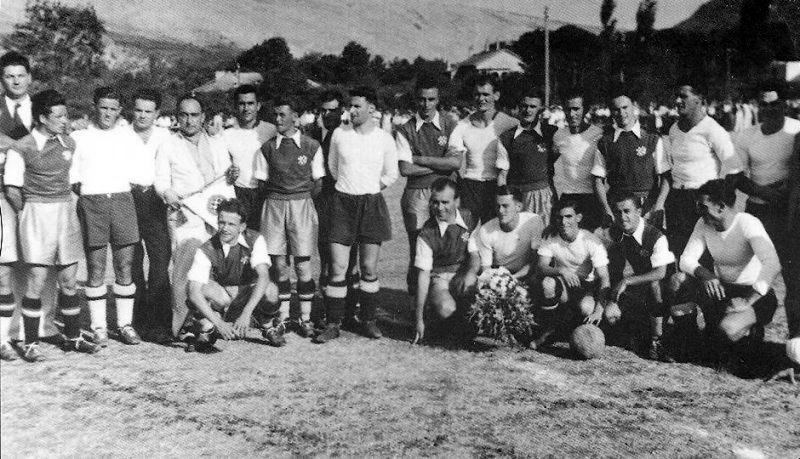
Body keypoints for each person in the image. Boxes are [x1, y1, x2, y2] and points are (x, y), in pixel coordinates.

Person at [4, 89, 101, 360]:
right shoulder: (21, 147)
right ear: (42, 118)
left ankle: (73, 337)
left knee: (69, 280)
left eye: (65, 114)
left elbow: (74, 181)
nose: (64, 120)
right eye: (58, 116)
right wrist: (29, 213)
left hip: (65, 212)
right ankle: (31, 342)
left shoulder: (69, 144)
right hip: (36, 213)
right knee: (36, 280)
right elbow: (12, 189)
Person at [315, 86, 398, 343]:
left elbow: (391, 173)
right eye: (350, 106)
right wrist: (350, 191)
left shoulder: (384, 138)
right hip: (342, 204)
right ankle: (333, 323)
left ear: (371, 109)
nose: (351, 110)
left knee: (368, 267)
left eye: (357, 106)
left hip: (371, 204)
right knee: (338, 266)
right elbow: (333, 168)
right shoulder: (340, 134)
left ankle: (369, 320)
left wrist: (370, 190)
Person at [672, 179, 781, 370]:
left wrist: (748, 301)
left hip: (754, 296)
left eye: (702, 206)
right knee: (678, 280)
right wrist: (706, 275)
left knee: (728, 330)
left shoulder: (747, 223)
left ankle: (750, 333)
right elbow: (686, 259)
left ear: (721, 207)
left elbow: (772, 263)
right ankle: (689, 343)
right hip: (722, 290)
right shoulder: (703, 223)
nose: (698, 211)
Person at [154, 94, 234, 336]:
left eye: (194, 115)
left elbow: (225, 179)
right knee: (185, 265)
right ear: (177, 117)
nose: (189, 120)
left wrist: (233, 175)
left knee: (211, 265)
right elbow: (160, 180)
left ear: (203, 117)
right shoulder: (168, 144)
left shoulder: (217, 143)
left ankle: (206, 321)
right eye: (184, 115)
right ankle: (185, 323)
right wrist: (167, 193)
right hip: (185, 215)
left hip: (212, 213)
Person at [71, 86, 142, 346]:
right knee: (96, 268)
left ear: (120, 110)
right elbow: (74, 179)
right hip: (92, 202)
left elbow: (138, 173)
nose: (108, 113)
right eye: (103, 107)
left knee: (124, 266)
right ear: (94, 106)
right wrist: (94, 193)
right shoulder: (80, 136)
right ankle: (99, 327)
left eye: (113, 108)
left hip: (122, 200)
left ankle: (125, 325)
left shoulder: (128, 136)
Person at [254, 97, 324, 339]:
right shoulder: (266, 148)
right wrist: (280, 199)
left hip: (302, 205)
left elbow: (318, 183)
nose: (278, 119)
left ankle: (305, 318)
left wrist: (299, 199)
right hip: (274, 205)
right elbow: (261, 183)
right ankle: (283, 317)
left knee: (303, 265)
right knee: (279, 266)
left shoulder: (311, 146)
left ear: (296, 117)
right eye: (275, 114)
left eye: (283, 114)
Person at [185, 199, 280, 351]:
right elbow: (193, 292)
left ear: (242, 227)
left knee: (271, 289)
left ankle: (267, 326)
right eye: (221, 223)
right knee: (199, 287)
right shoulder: (206, 248)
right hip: (222, 299)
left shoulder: (255, 239)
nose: (225, 229)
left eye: (231, 224)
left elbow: (263, 276)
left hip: (245, 296)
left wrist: (246, 312)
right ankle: (209, 328)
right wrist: (219, 323)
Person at [733, 87, 798, 301]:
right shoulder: (746, 136)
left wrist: (786, 191)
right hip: (758, 209)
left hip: (787, 209)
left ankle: (796, 333)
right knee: (752, 270)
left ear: (784, 104)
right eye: (764, 104)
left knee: (792, 272)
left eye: (774, 104)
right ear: (758, 107)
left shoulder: (796, 130)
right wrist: (763, 192)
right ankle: (751, 327)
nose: (769, 109)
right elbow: (737, 177)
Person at [397, 79, 459, 294]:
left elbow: (455, 163)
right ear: (416, 99)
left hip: (445, 191)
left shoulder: (450, 124)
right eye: (422, 99)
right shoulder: (405, 129)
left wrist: (420, 159)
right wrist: (440, 166)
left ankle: (441, 301)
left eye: (431, 99)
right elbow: (405, 168)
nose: (426, 104)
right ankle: (416, 307)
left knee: (448, 243)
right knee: (418, 248)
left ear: (438, 100)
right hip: (416, 194)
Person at [664, 84, 739, 257]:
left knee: (704, 254)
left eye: (683, 96)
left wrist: (719, 201)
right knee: (679, 252)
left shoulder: (713, 130)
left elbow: (734, 168)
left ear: (699, 99)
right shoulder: (674, 129)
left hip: (701, 200)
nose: (677, 101)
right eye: (676, 96)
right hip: (676, 199)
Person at [604, 191, 675, 361]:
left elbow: (660, 273)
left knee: (654, 285)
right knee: (610, 316)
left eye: (627, 211)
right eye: (618, 212)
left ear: (639, 211)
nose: (622, 217)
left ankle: (658, 340)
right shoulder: (614, 233)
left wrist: (626, 281)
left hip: (664, 291)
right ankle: (636, 330)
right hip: (637, 287)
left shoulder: (656, 236)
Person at [127, 88, 173, 343]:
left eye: (148, 111)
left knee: (160, 261)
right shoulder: (121, 135)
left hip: (156, 201)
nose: (143, 116)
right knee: (132, 262)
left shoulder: (166, 136)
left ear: (157, 113)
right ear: (131, 110)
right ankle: (137, 319)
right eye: (138, 110)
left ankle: (159, 321)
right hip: (129, 198)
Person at [533, 199, 611, 349]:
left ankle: (569, 329)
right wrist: (561, 270)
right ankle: (548, 331)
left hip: (586, 287)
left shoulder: (591, 240)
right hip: (563, 284)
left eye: (568, 216)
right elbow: (540, 267)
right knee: (547, 284)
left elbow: (604, 277)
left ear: (578, 218)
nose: (563, 222)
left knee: (586, 309)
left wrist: (598, 312)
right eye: (559, 217)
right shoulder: (551, 237)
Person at [311, 90, 359, 323]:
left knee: (346, 258)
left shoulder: (349, 134)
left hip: (343, 202)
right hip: (321, 203)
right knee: (325, 257)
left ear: (342, 111)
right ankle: (328, 308)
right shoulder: (312, 133)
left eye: (332, 110)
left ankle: (349, 310)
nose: (327, 114)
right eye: (324, 110)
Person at [411, 178, 477, 344]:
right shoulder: (426, 233)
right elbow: (423, 276)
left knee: (477, 303)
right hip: (439, 278)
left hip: (462, 275)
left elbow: (475, 256)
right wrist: (418, 319)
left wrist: (470, 273)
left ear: (457, 201)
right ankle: (435, 315)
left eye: (445, 202)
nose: (439, 208)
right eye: (435, 202)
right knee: (447, 309)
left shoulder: (469, 218)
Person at [593, 91, 670, 227]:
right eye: (616, 110)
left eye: (625, 107)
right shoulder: (605, 142)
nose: (621, 113)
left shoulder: (652, 139)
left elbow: (665, 176)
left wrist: (657, 207)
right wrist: (607, 210)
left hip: (647, 207)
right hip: (618, 208)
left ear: (634, 107)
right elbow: (598, 180)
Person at [448, 75, 518, 223]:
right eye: (477, 94)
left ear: (496, 96)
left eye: (486, 94)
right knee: (464, 234)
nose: (481, 99)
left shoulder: (509, 123)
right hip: (470, 186)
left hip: (496, 186)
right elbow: (453, 159)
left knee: (494, 234)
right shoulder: (462, 126)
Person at [0, 51, 33, 360]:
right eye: (9, 76)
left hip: (34, 193)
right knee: (4, 264)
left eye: (20, 75)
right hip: (1, 193)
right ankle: (3, 337)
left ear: (29, 78)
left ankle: (28, 330)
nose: (15, 81)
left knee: (33, 263)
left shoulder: (41, 109)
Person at [496, 91, 558, 227]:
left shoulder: (551, 133)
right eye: (524, 106)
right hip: (517, 196)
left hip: (543, 196)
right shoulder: (507, 137)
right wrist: (504, 201)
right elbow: (502, 175)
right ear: (519, 107)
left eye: (533, 106)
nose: (528, 110)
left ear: (540, 109)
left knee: (541, 237)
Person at [221, 84, 276, 230]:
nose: (246, 108)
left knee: (264, 241)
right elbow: (223, 168)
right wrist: (229, 173)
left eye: (250, 103)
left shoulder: (271, 130)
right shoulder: (226, 135)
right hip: (239, 193)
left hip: (266, 193)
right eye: (242, 104)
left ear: (258, 106)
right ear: (235, 106)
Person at [466, 186, 545, 281]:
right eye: (497, 206)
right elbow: (486, 269)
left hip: (527, 273)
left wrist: (514, 278)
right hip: (499, 276)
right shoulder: (485, 230)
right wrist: (501, 281)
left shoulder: (534, 221)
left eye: (505, 206)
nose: (500, 211)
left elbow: (535, 260)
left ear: (519, 207)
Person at [551, 94, 605, 231]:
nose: (572, 114)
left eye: (576, 109)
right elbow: (548, 166)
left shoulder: (598, 134)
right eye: (568, 109)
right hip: (567, 198)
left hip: (592, 198)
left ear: (585, 110)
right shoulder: (558, 136)